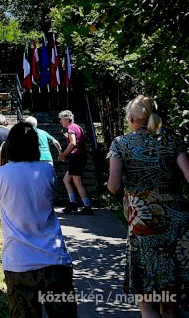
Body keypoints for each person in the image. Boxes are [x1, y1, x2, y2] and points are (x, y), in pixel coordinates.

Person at [107, 95, 189, 317]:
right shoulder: (172, 140)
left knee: (146, 299)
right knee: (171, 298)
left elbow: (114, 186)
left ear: (132, 118)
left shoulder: (121, 143)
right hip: (178, 224)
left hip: (145, 225)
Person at [0, 122, 76, 317]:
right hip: (54, 258)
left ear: (9, 146)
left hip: (19, 262)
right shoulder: (46, 170)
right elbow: (49, 197)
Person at [57, 110, 92, 215]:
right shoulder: (77, 127)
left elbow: (73, 143)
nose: (60, 122)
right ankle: (73, 203)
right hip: (79, 157)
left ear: (66, 119)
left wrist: (63, 155)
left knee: (77, 182)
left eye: (61, 119)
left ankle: (87, 206)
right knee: (66, 180)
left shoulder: (71, 128)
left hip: (76, 157)